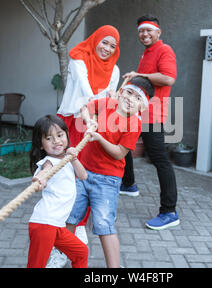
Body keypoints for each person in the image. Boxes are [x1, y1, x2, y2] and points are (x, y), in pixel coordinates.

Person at [66, 76, 155, 268]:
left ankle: (114, 268)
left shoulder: (134, 124)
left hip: (107, 180)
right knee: (70, 216)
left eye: (138, 98)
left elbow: (118, 153)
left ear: (142, 107)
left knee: (104, 224)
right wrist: (90, 121)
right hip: (83, 173)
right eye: (129, 92)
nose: (131, 99)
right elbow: (85, 108)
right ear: (122, 92)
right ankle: (63, 255)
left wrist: (98, 138)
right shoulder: (109, 103)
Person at [53, 25, 120, 267]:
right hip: (73, 118)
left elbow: (109, 98)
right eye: (104, 42)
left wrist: (99, 112)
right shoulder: (78, 58)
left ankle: (77, 228)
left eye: (112, 46)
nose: (107, 49)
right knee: (66, 173)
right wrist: (95, 105)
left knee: (86, 175)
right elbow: (87, 91)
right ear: (96, 40)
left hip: (93, 122)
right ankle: (65, 231)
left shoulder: (115, 69)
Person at [120, 15, 180, 231]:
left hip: (153, 116)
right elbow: (146, 81)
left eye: (149, 30)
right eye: (141, 31)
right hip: (139, 112)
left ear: (158, 32)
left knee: (160, 160)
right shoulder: (147, 53)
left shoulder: (165, 50)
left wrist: (139, 74)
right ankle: (128, 184)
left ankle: (169, 212)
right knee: (122, 143)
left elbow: (168, 78)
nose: (144, 34)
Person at [26, 115, 89, 268]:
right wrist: (40, 179)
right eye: (49, 138)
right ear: (41, 145)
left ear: (66, 135)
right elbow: (45, 172)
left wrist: (73, 158)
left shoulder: (66, 160)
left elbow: (83, 176)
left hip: (57, 225)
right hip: (44, 224)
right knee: (36, 265)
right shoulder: (49, 162)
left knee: (81, 252)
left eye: (60, 135)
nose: (56, 141)